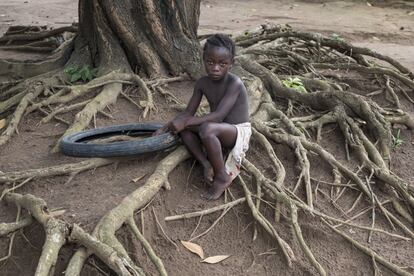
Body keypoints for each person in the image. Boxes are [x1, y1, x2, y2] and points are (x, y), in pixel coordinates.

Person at [154, 34, 251, 200]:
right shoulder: (202, 83)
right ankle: (206, 164)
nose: (215, 68)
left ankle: (222, 176)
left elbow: (219, 115)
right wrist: (167, 126)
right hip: (216, 128)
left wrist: (186, 121)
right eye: (210, 62)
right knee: (184, 130)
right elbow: (187, 113)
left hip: (237, 132)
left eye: (222, 63)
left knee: (206, 128)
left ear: (231, 63)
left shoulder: (235, 83)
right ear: (204, 59)